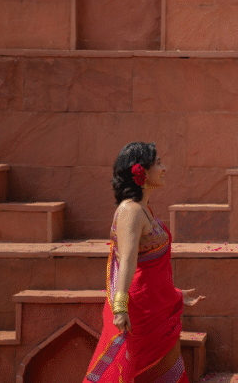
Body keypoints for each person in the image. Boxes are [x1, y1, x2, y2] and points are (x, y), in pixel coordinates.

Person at [82, 142, 204, 383]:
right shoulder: (131, 211)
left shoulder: (143, 209)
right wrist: (120, 308)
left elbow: (149, 269)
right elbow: (127, 261)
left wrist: (175, 294)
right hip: (138, 314)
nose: (164, 168)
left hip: (154, 309)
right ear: (141, 172)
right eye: (158, 163)